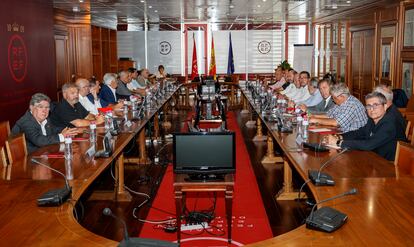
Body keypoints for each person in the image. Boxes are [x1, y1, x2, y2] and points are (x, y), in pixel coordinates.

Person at [324, 92, 397, 161]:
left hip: (387, 165)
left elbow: (368, 145)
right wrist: (338, 136)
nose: (372, 109)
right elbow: (359, 133)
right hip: (373, 157)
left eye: (375, 105)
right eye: (368, 106)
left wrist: (338, 142)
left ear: (385, 106)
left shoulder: (389, 124)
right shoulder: (372, 120)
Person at [12, 93, 78, 153]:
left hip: (44, 152)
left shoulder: (45, 118)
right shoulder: (26, 122)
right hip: (29, 159)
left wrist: (67, 131)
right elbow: (39, 141)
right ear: (31, 107)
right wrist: (61, 136)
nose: (44, 110)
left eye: (47, 107)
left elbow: (53, 129)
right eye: (40, 107)